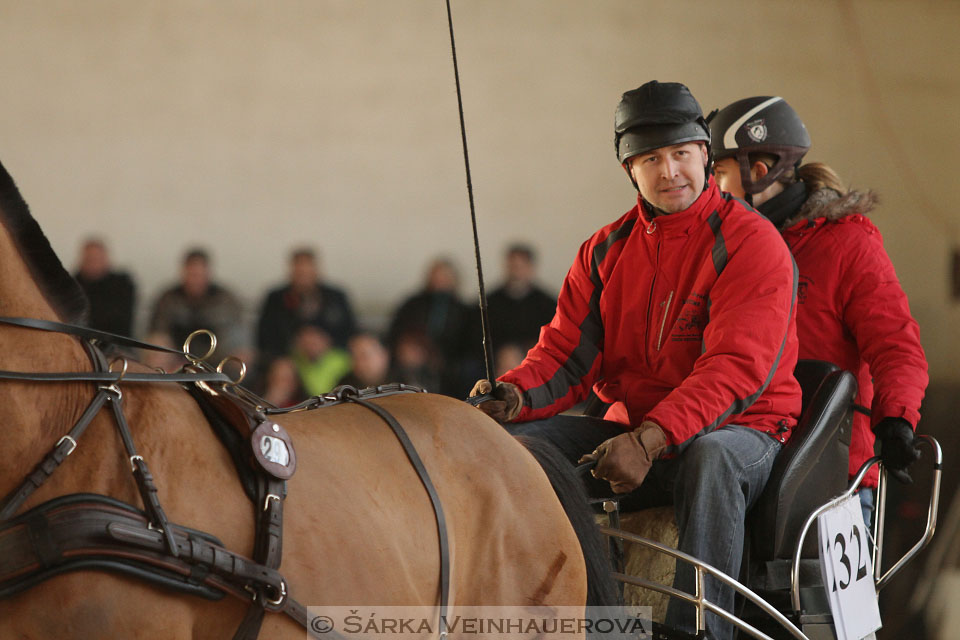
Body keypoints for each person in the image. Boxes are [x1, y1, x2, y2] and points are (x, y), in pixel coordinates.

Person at [470, 80, 801, 640]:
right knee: (522, 450)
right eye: (651, 158)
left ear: (704, 154)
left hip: (744, 428)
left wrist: (649, 439)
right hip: (635, 435)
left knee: (710, 459)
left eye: (680, 154)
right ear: (630, 170)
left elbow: (734, 370)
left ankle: (703, 628)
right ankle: (572, 621)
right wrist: (514, 395)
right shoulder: (604, 250)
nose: (670, 171)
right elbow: (566, 357)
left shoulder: (753, 242)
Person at [709, 96, 929, 527]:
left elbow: (896, 345)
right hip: (749, 464)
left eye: (719, 173)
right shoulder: (727, 248)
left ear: (759, 171)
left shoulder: (849, 244)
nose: (712, 189)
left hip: (831, 476)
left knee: (815, 597)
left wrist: (896, 418)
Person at [387, 257, 470, 396]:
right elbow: (396, 331)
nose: (440, 280)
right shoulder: (412, 304)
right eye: (436, 275)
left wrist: (436, 354)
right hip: (412, 355)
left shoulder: (463, 309)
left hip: (449, 360)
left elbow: (467, 341)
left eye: (444, 275)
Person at [256, 248, 357, 362]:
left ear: (317, 271)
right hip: (288, 359)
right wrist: (295, 343)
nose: (304, 279)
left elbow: (351, 333)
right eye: (300, 273)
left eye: (307, 273)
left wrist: (326, 343)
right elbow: (264, 336)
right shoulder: (275, 298)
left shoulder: (336, 297)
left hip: (331, 357)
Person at [148, 248, 248, 361]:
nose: (195, 280)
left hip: (217, 359)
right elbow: (158, 333)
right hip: (176, 358)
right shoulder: (169, 299)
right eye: (192, 274)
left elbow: (235, 338)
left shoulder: (225, 301)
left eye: (199, 275)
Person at [485, 243, 557, 354]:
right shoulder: (489, 303)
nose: (516, 273)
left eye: (520, 267)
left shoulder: (548, 304)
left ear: (530, 268)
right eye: (512, 267)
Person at [73, 238, 136, 337]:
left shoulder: (122, 284)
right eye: (90, 259)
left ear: (106, 259)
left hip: (115, 343)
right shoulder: (72, 284)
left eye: (97, 259)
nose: (94, 264)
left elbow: (120, 321)